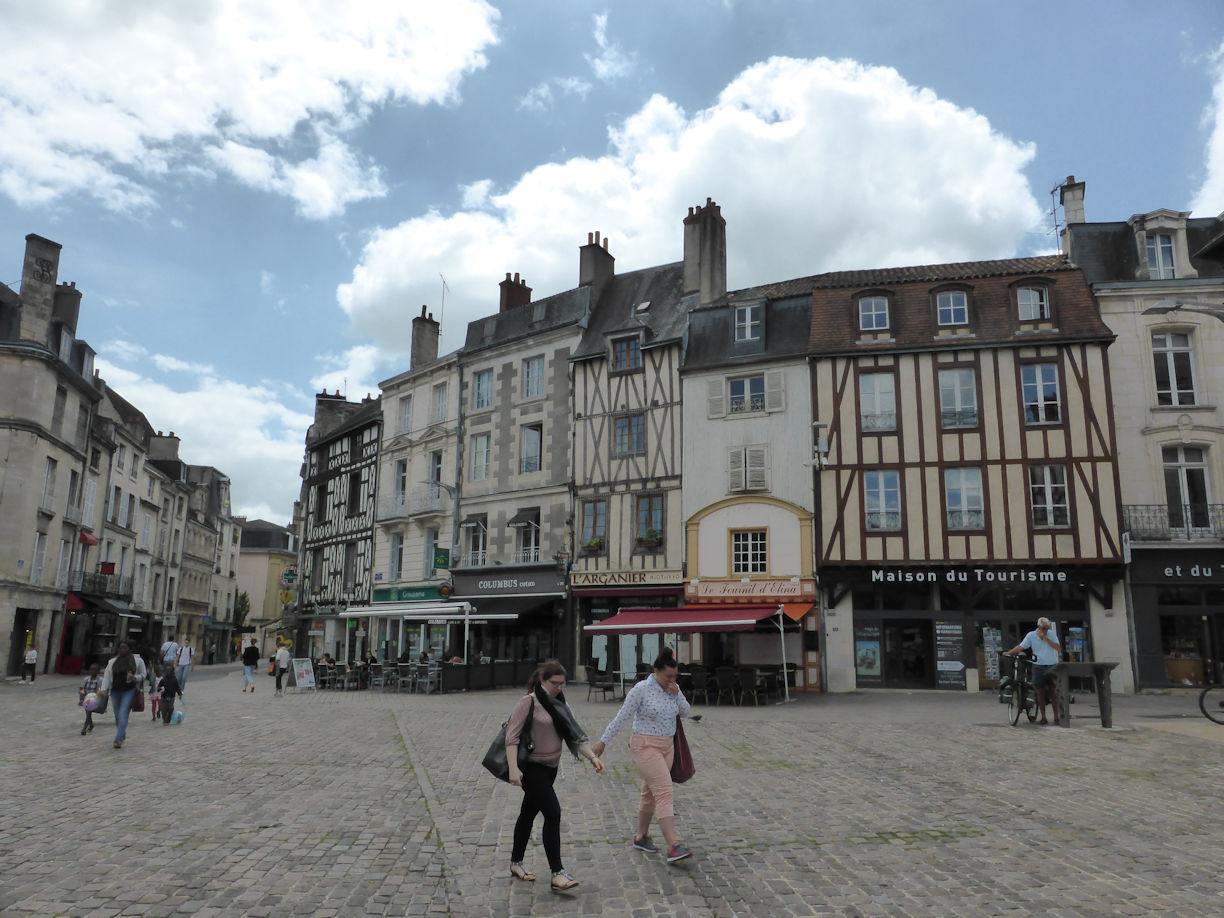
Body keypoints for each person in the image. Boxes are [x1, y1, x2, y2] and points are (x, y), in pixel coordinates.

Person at [504, 661, 603, 891]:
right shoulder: (528, 702)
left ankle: (515, 862)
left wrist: (592, 757)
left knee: (528, 813)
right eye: (554, 683)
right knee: (553, 812)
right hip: (532, 767)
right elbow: (512, 737)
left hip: (551, 767)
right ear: (542, 680)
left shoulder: (560, 704)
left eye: (561, 683)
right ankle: (557, 872)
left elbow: (573, 736)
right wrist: (513, 768)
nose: (558, 687)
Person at [592, 649, 694, 864]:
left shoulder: (673, 689)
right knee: (664, 791)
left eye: (675, 676)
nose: (671, 680)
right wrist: (603, 741)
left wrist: (677, 692)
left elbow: (686, 712)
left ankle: (641, 836)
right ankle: (673, 845)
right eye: (668, 676)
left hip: (667, 747)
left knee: (649, 793)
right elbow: (622, 717)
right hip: (645, 747)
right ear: (656, 671)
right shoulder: (641, 689)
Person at [1005, 617, 1062, 725]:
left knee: (1053, 692)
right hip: (1038, 665)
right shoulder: (1031, 635)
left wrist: (1045, 638)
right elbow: (1021, 646)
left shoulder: (1051, 634)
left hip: (1052, 665)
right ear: (1039, 627)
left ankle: (1056, 717)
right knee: (1039, 692)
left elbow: (1057, 648)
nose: (1046, 630)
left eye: (1047, 628)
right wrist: (1009, 652)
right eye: (1044, 628)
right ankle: (1043, 717)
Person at [100, 641, 147, 749]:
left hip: (129, 690)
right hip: (115, 690)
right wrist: (103, 689)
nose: (123, 650)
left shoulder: (137, 661)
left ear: (130, 649)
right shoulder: (112, 662)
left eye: (125, 648)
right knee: (117, 715)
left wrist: (136, 678)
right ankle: (122, 731)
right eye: (121, 648)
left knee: (123, 713)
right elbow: (107, 676)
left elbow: (144, 674)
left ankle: (118, 739)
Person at [78, 663, 102, 735]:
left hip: (95, 698)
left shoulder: (100, 680)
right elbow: (81, 688)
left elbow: (100, 690)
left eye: (95, 670)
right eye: (91, 669)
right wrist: (82, 694)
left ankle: (84, 728)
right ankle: (90, 724)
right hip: (86, 698)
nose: (93, 671)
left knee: (88, 711)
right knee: (88, 712)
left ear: (98, 671)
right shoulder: (86, 679)